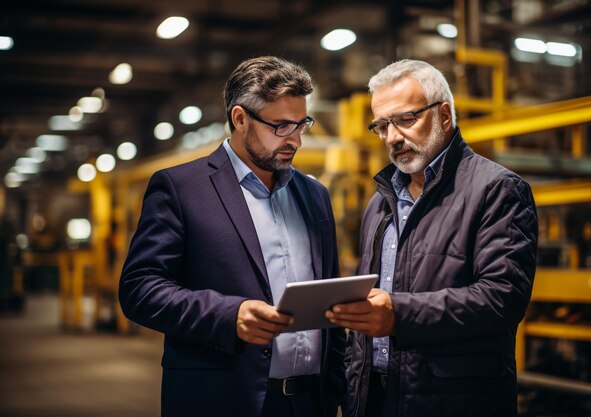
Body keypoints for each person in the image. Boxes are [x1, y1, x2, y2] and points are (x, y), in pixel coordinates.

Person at [119, 56, 345, 417]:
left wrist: (337, 392)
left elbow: (328, 301)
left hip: (309, 403)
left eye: (302, 124)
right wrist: (229, 315)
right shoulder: (180, 188)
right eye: (282, 126)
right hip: (224, 400)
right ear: (240, 119)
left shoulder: (314, 194)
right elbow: (140, 290)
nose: (297, 141)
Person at [326, 59, 538, 417]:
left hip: (451, 402)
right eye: (381, 125)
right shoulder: (380, 202)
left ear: (443, 115)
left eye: (406, 119)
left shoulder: (497, 189)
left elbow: (503, 299)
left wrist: (400, 315)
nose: (393, 137)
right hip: (373, 399)